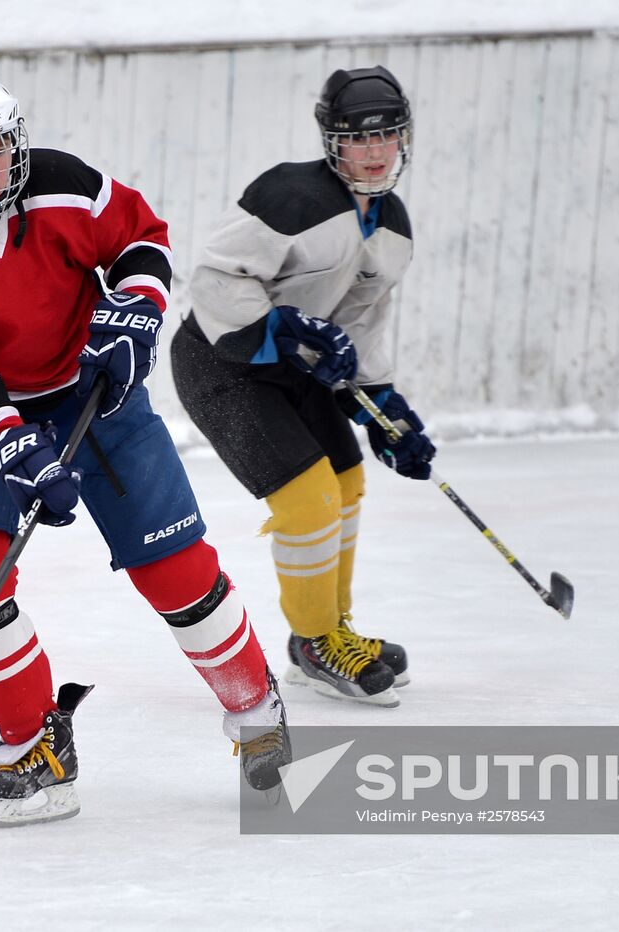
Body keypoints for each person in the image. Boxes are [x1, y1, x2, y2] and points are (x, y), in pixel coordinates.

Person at [0, 66, 290, 827]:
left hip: (96, 395)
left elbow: (141, 238)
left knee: (176, 573)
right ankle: (37, 748)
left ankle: (258, 712)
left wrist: (134, 310)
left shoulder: (63, 184)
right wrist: (14, 448)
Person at [171, 65, 435, 708]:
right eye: (358, 138)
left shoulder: (393, 227)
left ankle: (332, 631)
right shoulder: (290, 196)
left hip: (297, 370)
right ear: (332, 141)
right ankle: (316, 644)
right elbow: (214, 277)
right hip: (224, 364)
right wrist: (280, 326)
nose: (374, 153)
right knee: (308, 501)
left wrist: (383, 408)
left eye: (386, 136)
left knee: (347, 483)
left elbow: (360, 322)